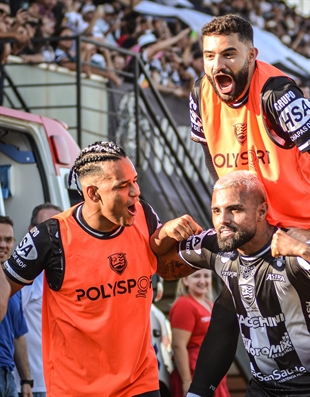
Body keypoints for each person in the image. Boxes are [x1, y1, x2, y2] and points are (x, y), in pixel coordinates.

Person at [188, 14, 310, 397]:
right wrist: (225, 208)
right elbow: (211, 159)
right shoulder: (199, 96)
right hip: (266, 222)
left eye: (229, 54)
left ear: (252, 55)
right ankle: (197, 392)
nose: (219, 65)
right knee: (229, 297)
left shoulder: (277, 93)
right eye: (210, 56)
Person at [155, 171, 310, 397]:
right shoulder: (216, 244)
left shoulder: (292, 251)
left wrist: (304, 249)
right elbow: (160, 262)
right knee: (226, 301)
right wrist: (165, 231)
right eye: (216, 211)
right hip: (265, 389)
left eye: (235, 210)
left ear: (261, 211)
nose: (223, 221)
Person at [1, 141, 201, 396]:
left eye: (135, 181)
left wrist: (194, 251)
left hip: (139, 382)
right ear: (93, 193)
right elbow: (5, 285)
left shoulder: (144, 214)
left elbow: (165, 270)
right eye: (122, 185)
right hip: (75, 389)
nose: (136, 192)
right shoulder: (51, 236)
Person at [12, 204, 61, 397]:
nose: (55, 235)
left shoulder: (65, 272)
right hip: (33, 386)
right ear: (32, 232)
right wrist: (26, 381)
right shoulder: (25, 277)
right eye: (47, 227)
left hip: (61, 382)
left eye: (59, 228)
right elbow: (15, 331)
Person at [170, 269, 230, 397]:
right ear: (185, 280)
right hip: (194, 374)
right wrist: (187, 382)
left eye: (206, 276)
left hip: (211, 374)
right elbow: (178, 346)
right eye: (196, 276)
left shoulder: (210, 304)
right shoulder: (184, 304)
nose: (202, 281)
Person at [0, 216, 32, 397]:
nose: (3, 245)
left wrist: (26, 381)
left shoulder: (14, 285)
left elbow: (18, 335)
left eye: (8, 240)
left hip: (8, 377)